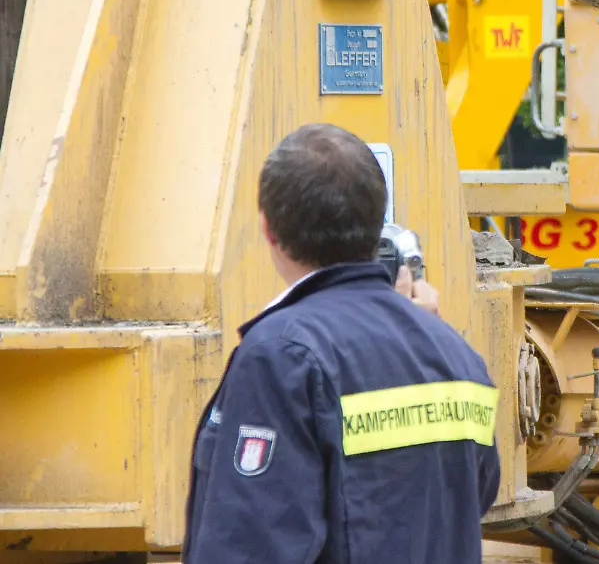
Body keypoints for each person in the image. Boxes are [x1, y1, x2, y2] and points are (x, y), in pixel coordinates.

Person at [182, 123, 501, 563]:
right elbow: (471, 498)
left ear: (268, 229)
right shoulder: (456, 354)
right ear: (378, 224)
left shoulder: (280, 356)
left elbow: (249, 545)